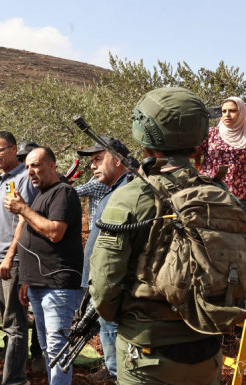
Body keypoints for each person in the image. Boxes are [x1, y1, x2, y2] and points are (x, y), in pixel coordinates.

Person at [90, 87, 223, 384]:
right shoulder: (219, 193)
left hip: (149, 355)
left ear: (144, 134)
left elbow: (103, 287)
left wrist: (120, 317)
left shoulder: (132, 196)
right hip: (209, 350)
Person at [2, 146, 83, 385]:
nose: (30, 171)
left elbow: (55, 233)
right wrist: (28, 280)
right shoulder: (42, 194)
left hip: (57, 284)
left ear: (52, 165)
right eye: (27, 167)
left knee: (57, 347)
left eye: (35, 165)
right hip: (39, 284)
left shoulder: (63, 192)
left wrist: (23, 209)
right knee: (48, 346)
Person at [75, 136, 133, 382]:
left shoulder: (127, 192)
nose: (92, 166)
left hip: (116, 285)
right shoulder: (115, 191)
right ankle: (111, 371)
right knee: (107, 330)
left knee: (113, 330)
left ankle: (117, 375)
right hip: (105, 283)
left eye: (98, 159)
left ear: (118, 160)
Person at [0, 134, 38, 385]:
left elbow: (24, 219)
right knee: (7, 321)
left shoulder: (23, 178)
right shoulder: (3, 180)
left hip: (14, 261)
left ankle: (16, 380)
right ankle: (12, 372)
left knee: (16, 323)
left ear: (14, 149)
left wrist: (9, 256)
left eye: (0, 150)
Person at [198, 96, 246, 213]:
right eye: (224, 111)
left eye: (232, 111)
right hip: (211, 195)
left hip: (240, 198)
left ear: (242, 112)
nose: (227, 115)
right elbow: (191, 152)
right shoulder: (211, 134)